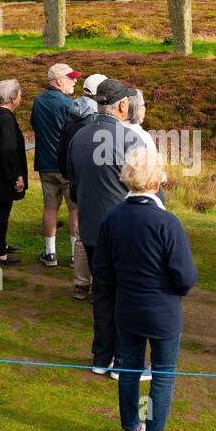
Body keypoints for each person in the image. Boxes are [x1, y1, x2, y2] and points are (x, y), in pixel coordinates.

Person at [94, 147, 197, 431]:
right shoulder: (167, 223)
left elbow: (102, 270)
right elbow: (185, 278)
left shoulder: (112, 217)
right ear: (157, 180)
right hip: (161, 312)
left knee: (130, 368)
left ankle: (131, 430)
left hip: (126, 308)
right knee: (163, 372)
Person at [68, 78, 143, 373]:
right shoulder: (130, 139)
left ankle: (101, 357)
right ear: (123, 105)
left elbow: (74, 187)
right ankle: (123, 362)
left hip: (90, 227)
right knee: (125, 294)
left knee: (102, 294)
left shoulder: (79, 137)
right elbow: (144, 189)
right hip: (123, 230)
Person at [31, 62, 81, 268]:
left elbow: (34, 123)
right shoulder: (69, 104)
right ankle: (73, 255)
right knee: (74, 209)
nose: (75, 81)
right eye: (71, 78)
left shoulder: (38, 101)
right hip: (67, 166)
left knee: (50, 208)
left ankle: (50, 254)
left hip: (45, 164)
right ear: (59, 81)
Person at [0, 79, 28, 265]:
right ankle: (0, 253)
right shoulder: (6, 118)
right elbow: (8, 149)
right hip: (3, 174)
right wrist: (16, 176)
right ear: (13, 97)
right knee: (1, 213)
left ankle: (1, 245)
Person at [58, 94, 98, 300]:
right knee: (101, 239)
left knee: (83, 237)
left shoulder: (70, 119)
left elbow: (63, 152)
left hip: (78, 185)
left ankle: (81, 285)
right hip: (96, 188)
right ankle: (98, 288)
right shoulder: (96, 125)